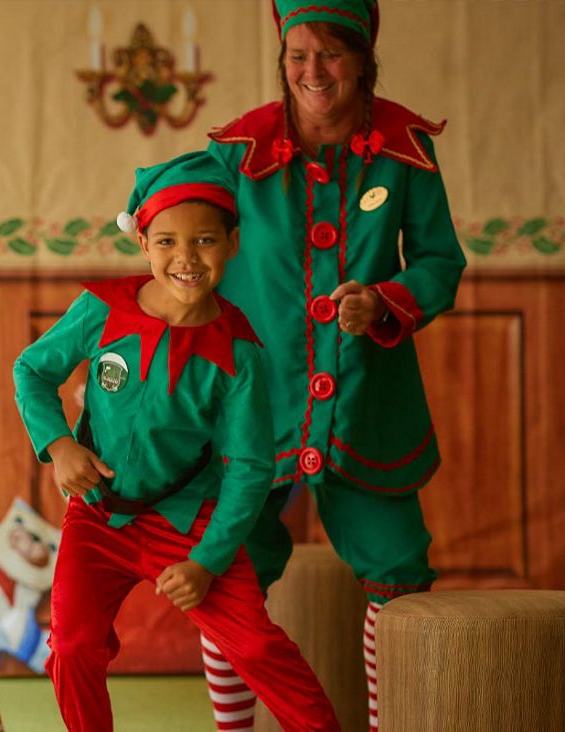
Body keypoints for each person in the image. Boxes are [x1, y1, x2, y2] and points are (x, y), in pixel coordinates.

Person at [205, 2, 466, 729]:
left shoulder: (406, 146)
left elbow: (441, 261)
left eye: (330, 54)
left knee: (397, 572)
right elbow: (172, 215)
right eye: (297, 54)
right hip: (257, 407)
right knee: (225, 572)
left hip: (367, 405)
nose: (312, 71)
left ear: (363, 57)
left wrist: (386, 299)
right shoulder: (238, 148)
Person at [12, 151, 338, 732]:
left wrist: (208, 562)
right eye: (165, 242)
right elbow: (31, 371)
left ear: (233, 244)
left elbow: (251, 468)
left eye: (205, 241)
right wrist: (58, 445)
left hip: (192, 524)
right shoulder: (101, 311)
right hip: (98, 518)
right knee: (72, 644)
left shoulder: (238, 355)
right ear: (142, 243)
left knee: (259, 648)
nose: (185, 258)